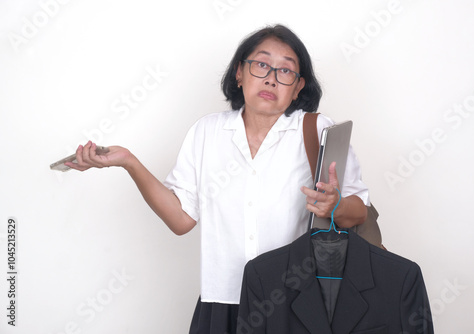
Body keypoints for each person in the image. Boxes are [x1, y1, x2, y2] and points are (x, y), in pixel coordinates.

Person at [66, 24, 369, 334]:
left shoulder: (316, 130)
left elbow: (360, 209)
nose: (271, 78)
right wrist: (129, 162)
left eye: (285, 71)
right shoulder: (206, 132)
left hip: (295, 302)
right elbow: (181, 219)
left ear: (298, 86)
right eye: (261, 64)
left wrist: (335, 205)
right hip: (223, 301)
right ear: (239, 72)